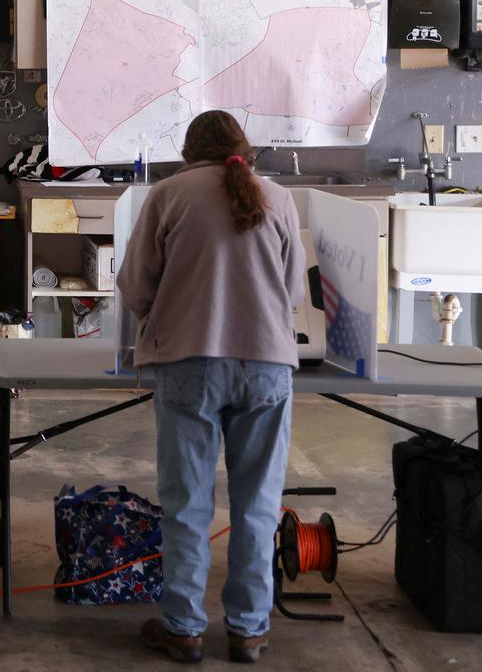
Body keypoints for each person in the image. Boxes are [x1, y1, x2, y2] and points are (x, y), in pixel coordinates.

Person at [115, 111, 305, 665]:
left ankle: (184, 628)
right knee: (258, 506)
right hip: (267, 366)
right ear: (243, 149)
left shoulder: (168, 195)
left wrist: (172, 305)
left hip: (188, 364)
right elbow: (292, 291)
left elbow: (134, 288)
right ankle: (248, 631)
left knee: (188, 504)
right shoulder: (279, 198)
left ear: (187, 150)